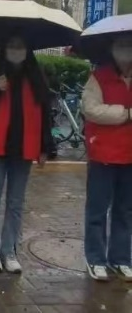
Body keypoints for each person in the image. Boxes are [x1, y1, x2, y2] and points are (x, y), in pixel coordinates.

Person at [0, 36, 53, 274]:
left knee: (16, 203)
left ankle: (9, 251)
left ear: (27, 50)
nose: (16, 51)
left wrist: (45, 147)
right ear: (4, 49)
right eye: (12, 46)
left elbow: (45, 114)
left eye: (21, 46)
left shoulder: (36, 78)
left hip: (24, 150)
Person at [81, 34, 132, 281]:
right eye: (120, 45)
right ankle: (95, 258)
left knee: (125, 210)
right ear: (111, 49)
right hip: (103, 153)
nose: (125, 50)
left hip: (130, 156)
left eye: (129, 45)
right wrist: (126, 114)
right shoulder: (98, 77)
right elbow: (91, 110)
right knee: (97, 210)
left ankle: (121, 259)